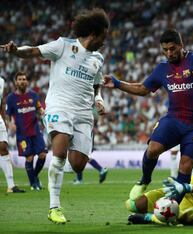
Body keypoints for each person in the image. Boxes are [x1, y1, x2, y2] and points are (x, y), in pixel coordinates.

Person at [1, 8, 109, 224]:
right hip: (59, 108)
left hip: (84, 113)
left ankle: (64, 166)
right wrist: (15, 51)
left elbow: (97, 84)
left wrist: (99, 99)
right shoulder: (63, 46)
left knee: (78, 164)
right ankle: (54, 207)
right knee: (59, 153)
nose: (104, 42)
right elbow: (32, 51)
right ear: (93, 34)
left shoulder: (98, 58)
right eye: (103, 37)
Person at [104, 29, 193, 203]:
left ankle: (173, 206)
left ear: (181, 45)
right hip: (173, 119)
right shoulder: (162, 68)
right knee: (153, 149)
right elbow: (143, 89)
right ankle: (145, 180)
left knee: (185, 166)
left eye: (173, 48)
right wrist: (116, 83)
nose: (169, 53)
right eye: (165, 50)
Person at [6, 71, 47, 190]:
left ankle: (34, 177)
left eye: (24, 79)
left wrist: (43, 113)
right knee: (29, 158)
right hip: (22, 133)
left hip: (35, 131)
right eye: (20, 79)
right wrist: (10, 124)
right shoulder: (11, 98)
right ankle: (33, 184)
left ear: (27, 81)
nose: (22, 81)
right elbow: (8, 115)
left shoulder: (34, 95)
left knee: (43, 155)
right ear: (16, 82)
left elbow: (39, 108)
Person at [0, 76, 25, 193]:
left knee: (3, 147)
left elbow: (2, 101)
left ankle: (11, 185)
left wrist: (4, 120)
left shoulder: (1, 81)